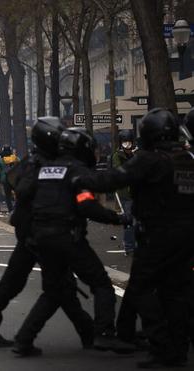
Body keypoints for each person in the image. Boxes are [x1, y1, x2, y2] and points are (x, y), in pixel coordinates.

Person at [75, 108, 194, 368]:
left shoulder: (150, 159)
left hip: (157, 233)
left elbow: (115, 178)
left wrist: (80, 178)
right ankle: (177, 349)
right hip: (186, 235)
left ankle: (161, 345)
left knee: (140, 288)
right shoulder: (186, 158)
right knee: (177, 292)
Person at [12, 127, 132, 356]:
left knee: (52, 290)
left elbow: (25, 195)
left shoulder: (44, 169)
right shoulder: (77, 171)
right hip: (67, 237)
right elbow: (86, 204)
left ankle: (23, 339)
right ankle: (105, 333)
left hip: (41, 238)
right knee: (101, 283)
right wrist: (116, 218)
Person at [0, 117, 64, 347]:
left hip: (30, 231)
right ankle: (19, 336)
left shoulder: (28, 162)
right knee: (57, 287)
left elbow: (13, 184)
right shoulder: (40, 165)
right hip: (37, 232)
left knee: (19, 284)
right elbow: (20, 188)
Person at [112, 129, 136, 256]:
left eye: (129, 141)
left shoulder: (136, 153)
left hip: (138, 191)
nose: (127, 144)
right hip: (125, 193)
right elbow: (118, 170)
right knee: (129, 220)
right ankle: (129, 247)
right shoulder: (117, 155)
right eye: (125, 141)